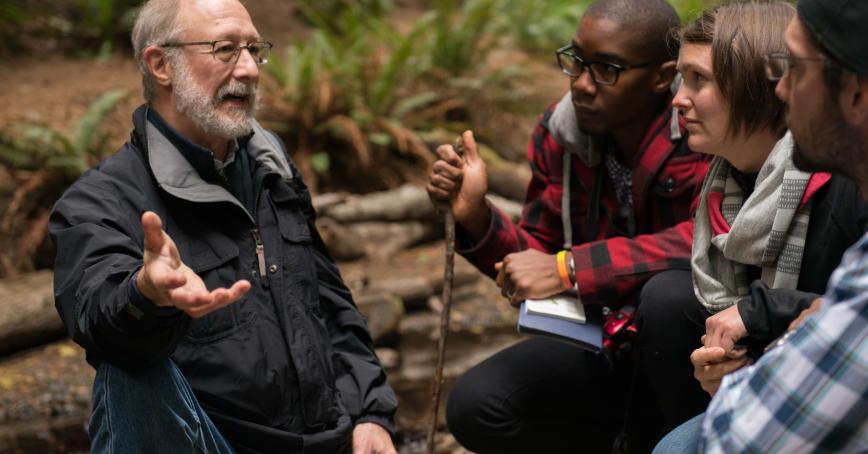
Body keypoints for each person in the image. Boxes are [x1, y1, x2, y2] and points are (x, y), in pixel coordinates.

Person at [48, 0, 397, 453]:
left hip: (325, 438)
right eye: (226, 49)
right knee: (128, 372)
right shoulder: (100, 201)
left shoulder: (272, 167)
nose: (249, 69)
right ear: (161, 65)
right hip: (212, 441)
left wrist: (370, 412)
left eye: (254, 49)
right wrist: (145, 294)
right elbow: (95, 313)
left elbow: (330, 302)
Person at [426, 0, 710, 451]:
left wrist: (570, 268)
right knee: (476, 405)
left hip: (687, 354)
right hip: (603, 339)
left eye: (606, 69)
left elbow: (705, 239)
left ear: (662, 76)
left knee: (668, 297)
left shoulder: (701, 128)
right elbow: (537, 255)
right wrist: (476, 215)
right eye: (577, 60)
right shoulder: (563, 133)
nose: (581, 83)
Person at [635, 0, 868, 437]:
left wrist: (763, 311)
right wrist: (725, 369)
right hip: (789, 367)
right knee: (667, 301)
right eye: (682, 78)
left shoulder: (843, 181)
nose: (678, 100)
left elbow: (853, 323)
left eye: (698, 79)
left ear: (752, 87)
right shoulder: (724, 183)